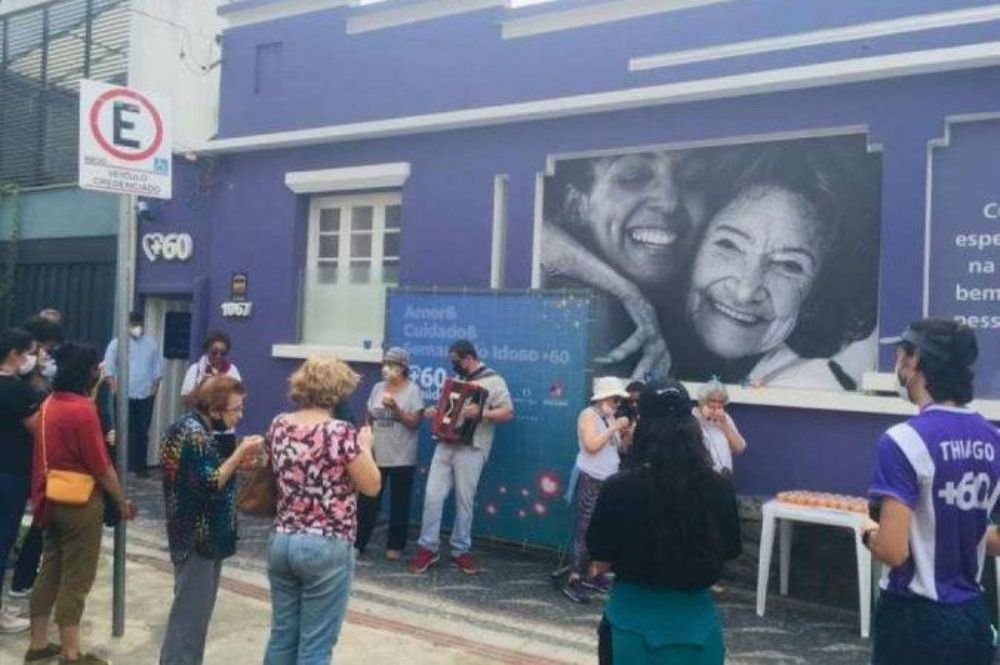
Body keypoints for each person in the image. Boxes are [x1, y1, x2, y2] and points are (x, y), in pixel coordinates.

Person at [677, 140, 880, 390]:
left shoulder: (808, 388)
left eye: (789, 266)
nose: (745, 292)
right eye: (729, 245)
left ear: (818, 293)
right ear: (692, 243)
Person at [863, 319, 1000, 664]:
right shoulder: (993, 440)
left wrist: (868, 535)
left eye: (900, 356)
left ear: (915, 361)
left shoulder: (902, 441)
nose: (898, 366)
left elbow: (894, 552)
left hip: (913, 620)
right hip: (973, 618)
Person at [586, 380, 742, 664]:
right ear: (691, 423)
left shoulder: (619, 487)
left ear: (642, 424)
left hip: (629, 626)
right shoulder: (719, 486)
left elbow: (601, 559)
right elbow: (730, 550)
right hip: (699, 629)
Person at [541, 151, 708, 379]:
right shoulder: (589, 315)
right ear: (576, 205)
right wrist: (628, 293)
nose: (669, 202)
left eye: (693, 178)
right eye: (633, 177)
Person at [263, 357, 380, 664]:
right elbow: (371, 485)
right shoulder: (340, 432)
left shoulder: (279, 424)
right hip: (326, 543)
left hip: (283, 539)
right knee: (315, 646)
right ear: (338, 391)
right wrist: (365, 444)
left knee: (282, 635)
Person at [25, 343, 136, 665]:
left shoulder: (49, 404)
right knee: (77, 578)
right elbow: (101, 466)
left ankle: (38, 643)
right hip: (80, 503)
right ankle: (71, 653)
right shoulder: (82, 410)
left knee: (49, 569)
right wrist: (121, 501)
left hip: (50, 498)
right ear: (87, 372)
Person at [159, 376, 263, 665]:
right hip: (196, 537)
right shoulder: (191, 433)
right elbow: (208, 482)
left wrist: (238, 461)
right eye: (235, 409)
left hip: (207, 536)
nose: (239, 416)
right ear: (215, 409)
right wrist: (240, 453)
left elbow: (210, 469)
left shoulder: (201, 429)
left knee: (196, 616)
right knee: (189, 619)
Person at [409, 339, 514, 575]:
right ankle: (428, 547)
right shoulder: (456, 381)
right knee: (432, 497)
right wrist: (433, 412)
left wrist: (481, 412)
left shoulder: (494, 381)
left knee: (464, 500)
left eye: (456, 362)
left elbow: (508, 412)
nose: (454, 366)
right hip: (445, 444)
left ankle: (461, 550)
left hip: (472, 447)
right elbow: (446, 411)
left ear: (468, 358)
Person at [562, 376, 632, 604]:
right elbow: (591, 446)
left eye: (619, 400)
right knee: (585, 528)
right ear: (602, 398)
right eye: (614, 399)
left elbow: (619, 449)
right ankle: (574, 578)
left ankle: (593, 574)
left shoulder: (608, 416)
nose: (617, 404)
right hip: (591, 478)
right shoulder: (588, 415)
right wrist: (613, 427)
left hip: (609, 480)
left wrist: (625, 433)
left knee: (603, 528)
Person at [356, 347, 424, 559]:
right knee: (367, 500)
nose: (387, 369)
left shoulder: (413, 391)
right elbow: (368, 415)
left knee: (399, 503)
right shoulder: (377, 388)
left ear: (403, 368)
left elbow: (415, 423)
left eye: (392, 365)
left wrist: (396, 408)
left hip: (402, 457)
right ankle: (358, 543)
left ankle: (395, 545)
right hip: (376, 454)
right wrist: (366, 433)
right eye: (385, 364)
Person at [0, 328, 40, 634]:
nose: (32, 358)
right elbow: (39, 429)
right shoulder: (15, 390)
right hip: (10, 474)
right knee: (3, 540)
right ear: (14, 353)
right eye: (29, 352)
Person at [103, 310, 163, 476]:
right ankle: (119, 466)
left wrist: (152, 393)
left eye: (139, 324)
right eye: (133, 324)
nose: (137, 327)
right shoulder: (117, 344)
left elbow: (157, 372)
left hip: (144, 396)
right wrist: (115, 390)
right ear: (127, 325)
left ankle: (140, 468)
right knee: (121, 431)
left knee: (142, 432)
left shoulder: (151, 344)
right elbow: (109, 371)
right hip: (123, 396)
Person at [181, 331, 242, 458]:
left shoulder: (232, 370)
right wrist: (202, 385)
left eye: (223, 353)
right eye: (214, 352)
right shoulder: (195, 370)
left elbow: (239, 398)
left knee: (225, 471)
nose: (218, 356)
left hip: (225, 432)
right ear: (207, 350)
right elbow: (185, 401)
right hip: (201, 432)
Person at [693, 379, 746, 476]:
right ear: (703, 401)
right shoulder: (692, 416)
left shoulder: (725, 418)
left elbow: (740, 448)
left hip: (723, 476)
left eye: (720, 402)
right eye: (713, 401)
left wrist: (724, 424)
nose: (717, 405)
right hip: (699, 475)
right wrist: (701, 420)